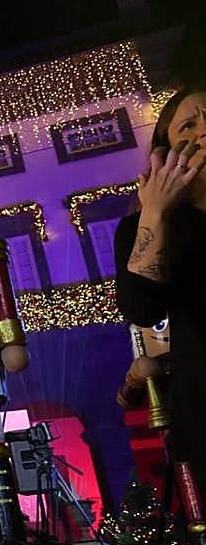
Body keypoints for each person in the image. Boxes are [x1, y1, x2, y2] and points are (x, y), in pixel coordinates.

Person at [114, 85, 206, 518]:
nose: (203, 131)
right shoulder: (148, 226)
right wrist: (154, 211)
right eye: (188, 125)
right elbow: (142, 307)